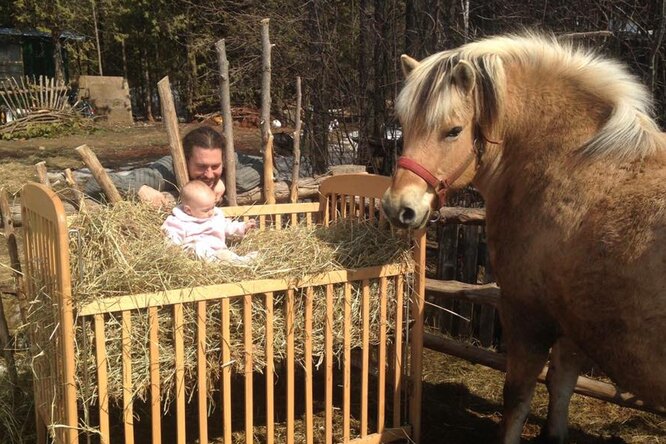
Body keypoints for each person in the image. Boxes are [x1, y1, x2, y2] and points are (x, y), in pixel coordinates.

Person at [84, 126, 263, 206]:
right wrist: (138, 190)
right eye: (201, 166)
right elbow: (93, 183)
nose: (209, 174)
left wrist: (227, 180)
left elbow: (266, 167)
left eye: (215, 166)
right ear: (185, 160)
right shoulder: (165, 172)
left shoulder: (226, 164)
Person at [161, 180, 258, 263]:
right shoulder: (179, 221)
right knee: (198, 247)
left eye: (213, 207)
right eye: (206, 210)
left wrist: (243, 227)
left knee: (226, 255)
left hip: (218, 251)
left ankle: (241, 261)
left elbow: (227, 226)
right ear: (188, 210)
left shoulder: (215, 216)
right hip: (195, 256)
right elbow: (171, 235)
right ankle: (226, 262)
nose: (211, 212)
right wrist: (172, 248)